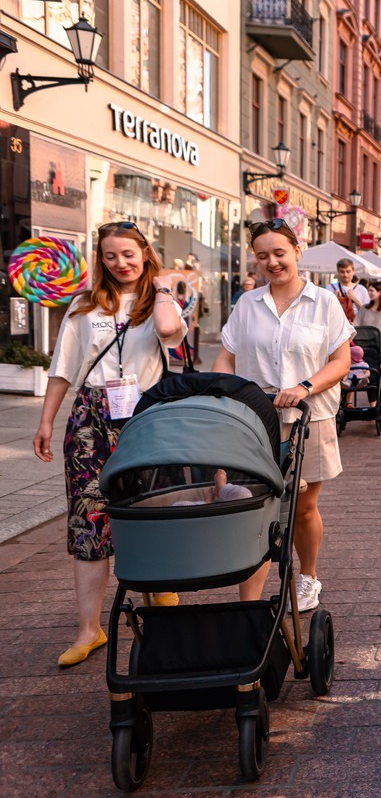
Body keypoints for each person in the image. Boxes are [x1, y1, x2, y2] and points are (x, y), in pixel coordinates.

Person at [34, 220, 186, 666]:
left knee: (151, 506)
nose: (120, 263)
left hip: (146, 413)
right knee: (88, 517)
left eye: (128, 254)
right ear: (100, 259)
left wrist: (159, 288)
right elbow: (63, 368)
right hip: (91, 419)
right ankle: (88, 628)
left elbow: (170, 335)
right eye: (110, 255)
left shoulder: (161, 301)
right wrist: (46, 420)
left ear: (145, 253)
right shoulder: (83, 305)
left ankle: (159, 589)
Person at [214, 218, 353, 612]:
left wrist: (304, 387)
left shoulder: (324, 302)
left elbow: (341, 360)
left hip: (311, 418)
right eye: (262, 256)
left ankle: (307, 576)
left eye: (279, 253)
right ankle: (252, 594)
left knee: (304, 506)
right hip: (256, 421)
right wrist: (223, 392)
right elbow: (227, 355)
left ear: (297, 251)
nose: (272, 262)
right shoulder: (247, 304)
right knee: (257, 506)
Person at [327, 258, 369, 323]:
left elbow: (367, 313)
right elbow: (325, 310)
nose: (345, 275)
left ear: (353, 272)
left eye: (348, 271)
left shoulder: (361, 289)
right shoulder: (330, 288)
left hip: (357, 327)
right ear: (338, 272)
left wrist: (354, 299)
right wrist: (333, 299)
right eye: (342, 272)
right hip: (336, 324)